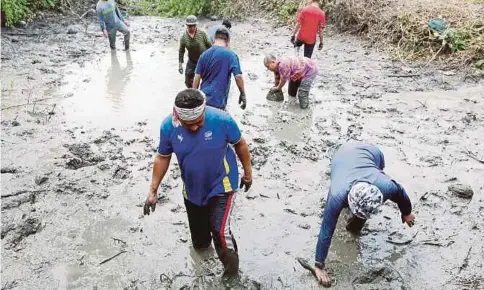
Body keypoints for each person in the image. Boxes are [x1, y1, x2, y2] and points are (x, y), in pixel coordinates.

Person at [143, 88, 253, 277]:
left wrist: (248, 174)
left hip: (223, 183)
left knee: (220, 231)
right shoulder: (168, 126)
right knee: (200, 243)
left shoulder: (222, 120)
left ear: (204, 113)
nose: (194, 128)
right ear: (179, 118)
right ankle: (202, 267)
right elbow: (163, 157)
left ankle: (232, 277)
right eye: (189, 125)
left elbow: (240, 144)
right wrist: (153, 191)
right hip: (193, 188)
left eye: (199, 123)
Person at [313, 142, 416, 287]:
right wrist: (319, 265)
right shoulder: (337, 194)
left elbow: (401, 193)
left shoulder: (387, 186)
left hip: (373, 153)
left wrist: (406, 213)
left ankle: (356, 222)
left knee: (356, 225)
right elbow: (326, 229)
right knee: (339, 217)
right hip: (342, 155)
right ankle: (354, 219)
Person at [193, 27, 247, 111]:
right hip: (218, 102)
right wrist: (242, 94)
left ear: (214, 39)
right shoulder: (231, 55)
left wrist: (193, 97)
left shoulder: (203, 55)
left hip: (202, 100)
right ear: (228, 42)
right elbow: (238, 77)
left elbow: (196, 78)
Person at [178, 15, 212, 89]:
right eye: (190, 26)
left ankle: (205, 95)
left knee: (207, 80)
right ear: (187, 26)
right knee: (188, 81)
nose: (192, 28)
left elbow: (210, 46)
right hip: (192, 62)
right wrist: (180, 64)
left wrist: (212, 59)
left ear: (196, 25)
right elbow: (181, 51)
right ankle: (193, 94)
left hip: (204, 61)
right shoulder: (184, 37)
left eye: (194, 26)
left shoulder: (202, 34)